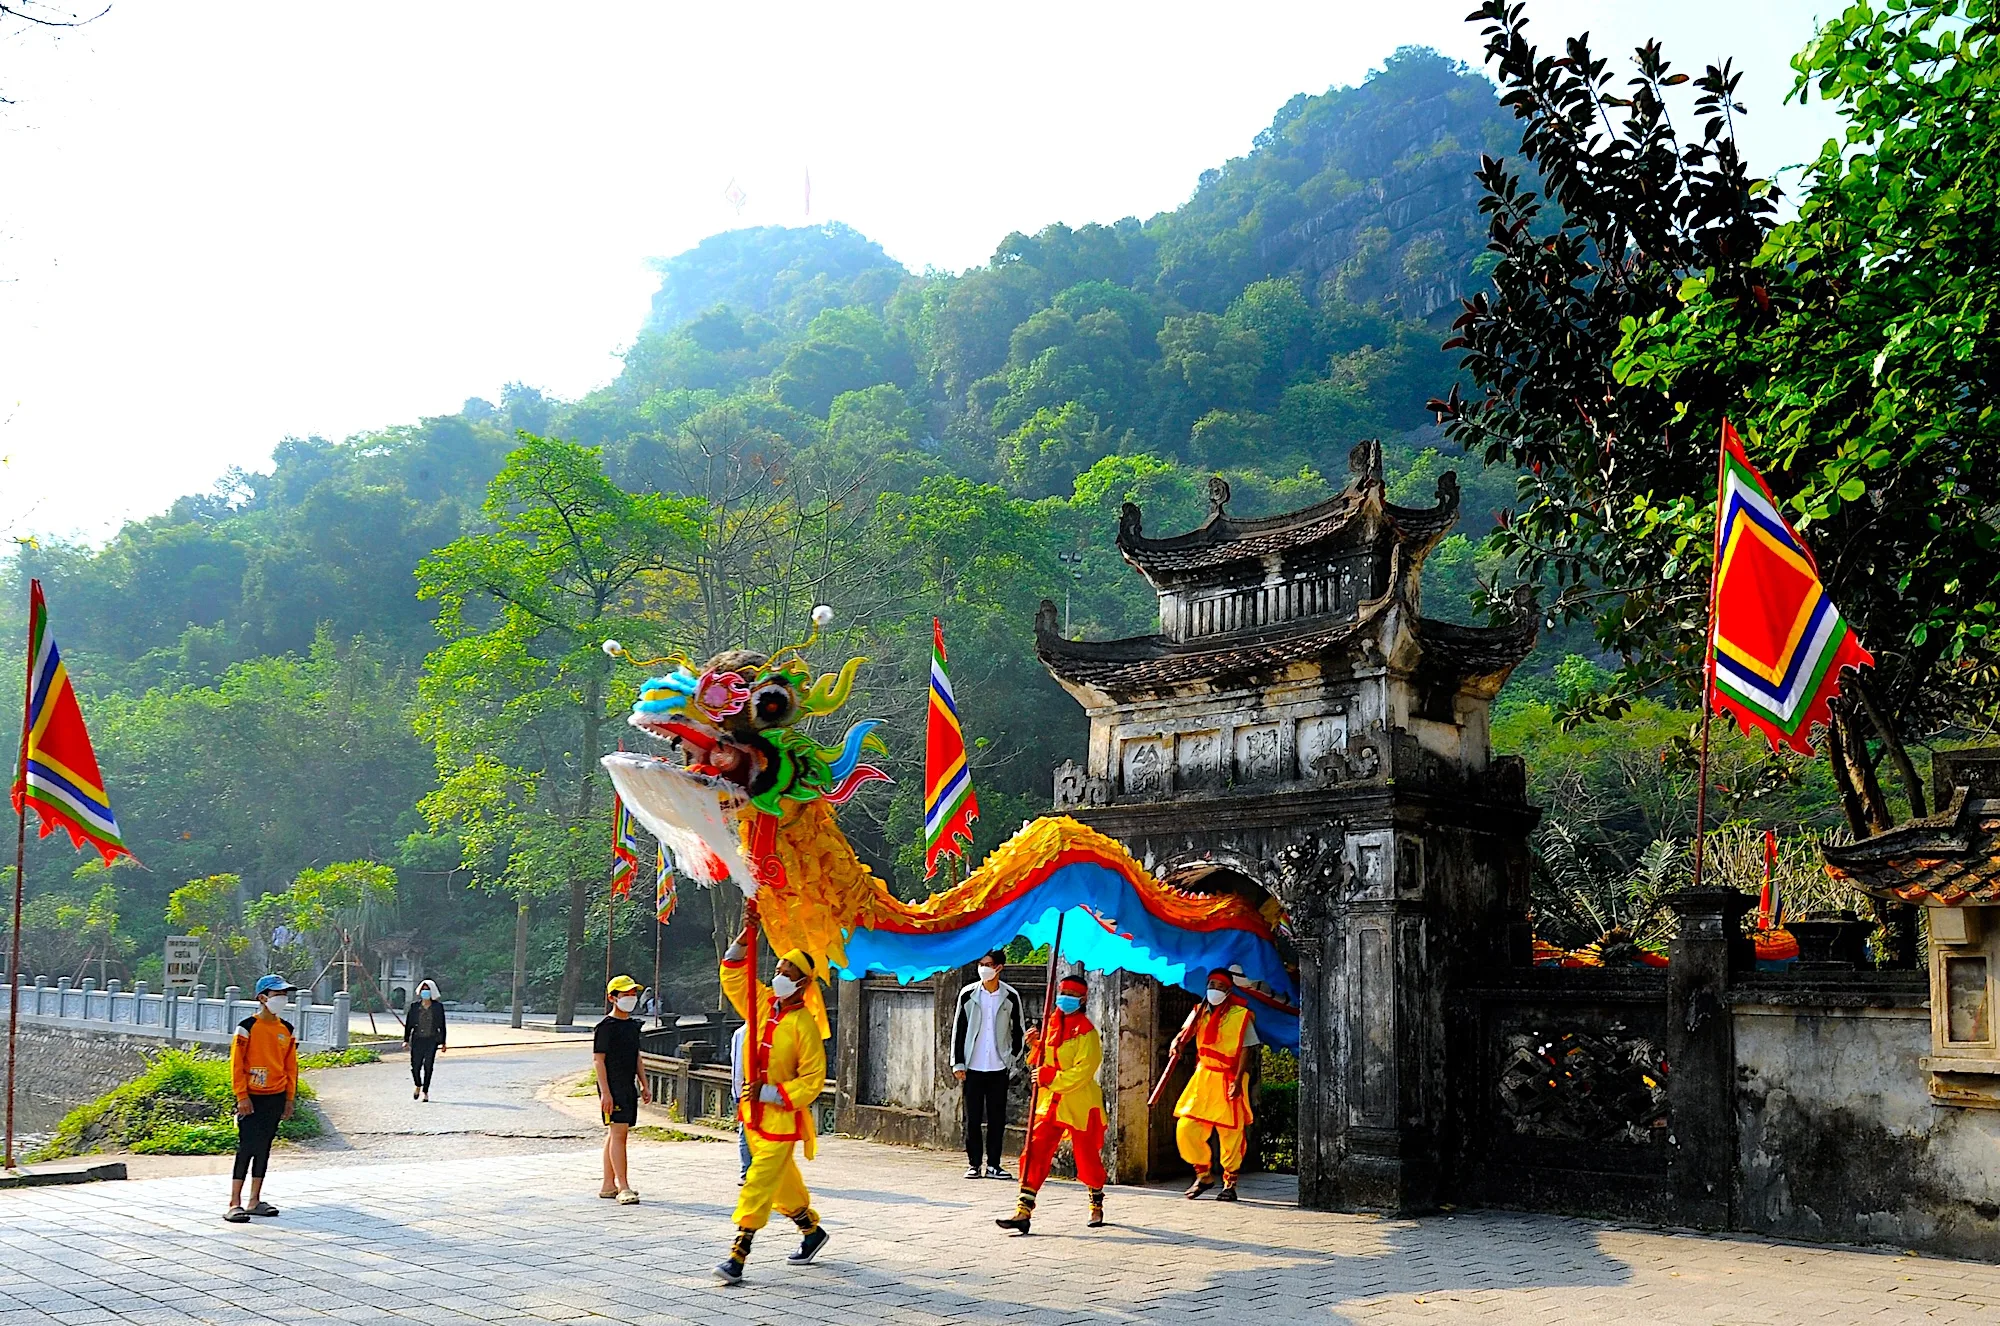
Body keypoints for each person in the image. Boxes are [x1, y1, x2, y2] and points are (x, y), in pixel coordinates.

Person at [714, 932, 830, 1285]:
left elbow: (813, 1079)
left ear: (802, 983)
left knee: (759, 1181)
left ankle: (739, 1252)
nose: (778, 976)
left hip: (781, 1121)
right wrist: (744, 939)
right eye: (778, 970)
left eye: (787, 973)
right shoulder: (763, 1004)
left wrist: (770, 1092)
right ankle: (811, 1231)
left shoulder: (804, 1025)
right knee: (782, 1185)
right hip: (753, 1117)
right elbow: (733, 976)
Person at [995, 970, 1106, 1234]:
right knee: (1035, 1150)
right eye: (1063, 993)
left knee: (1086, 1157)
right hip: (1050, 1103)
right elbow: (1039, 1062)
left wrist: (1051, 1077)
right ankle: (1023, 1210)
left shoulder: (1087, 1033)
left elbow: (1083, 1071)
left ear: (1082, 999)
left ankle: (1096, 1200)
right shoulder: (1050, 1026)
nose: (1065, 998)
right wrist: (1035, 1045)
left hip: (1080, 1103)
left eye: (1072, 994)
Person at [1174, 967, 1260, 1202]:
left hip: (1229, 1077)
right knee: (1186, 1127)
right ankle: (1203, 1175)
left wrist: (1238, 1079)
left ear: (1228, 991)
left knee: (1230, 1133)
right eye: (1212, 985)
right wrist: (1176, 1043)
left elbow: (1247, 1049)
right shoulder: (1199, 1011)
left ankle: (1230, 1183)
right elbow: (1184, 1033)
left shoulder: (1240, 1015)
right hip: (1203, 1077)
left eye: (1221, 987)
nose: (1215, 990)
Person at [225, 974, 299, 1224]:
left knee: (264, 1147)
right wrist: (241, 1096)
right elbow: (237, 1064)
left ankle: (255, 1200)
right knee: (246, 1147)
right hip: (251, 1097)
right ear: (262, 998)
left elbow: (291, 1066)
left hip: (275, 1096)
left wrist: (289, 1098)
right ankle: (234, 1202)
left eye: (284, 994)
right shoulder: (247, 1027)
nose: (282, 998)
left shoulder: (286, 1029)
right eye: (277, 994)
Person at [951, 947, 1026, 1179]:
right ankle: (974, 1164)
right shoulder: (968, 994)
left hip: (998, 1066)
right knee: (972, 1118)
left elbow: (1019, 1030)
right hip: (973, 1066)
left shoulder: (1010, 996)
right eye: (981, 964)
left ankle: (994, 1164)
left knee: (997, 1119)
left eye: (988, 965)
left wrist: (1012, 1059)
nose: (983, 969)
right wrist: (958, 1062)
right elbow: (959, 1029)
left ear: (999, 968)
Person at [594, 974, 652, 1205]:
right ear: (612, 998)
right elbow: (598, 1061)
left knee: (615, 1133)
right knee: (620, 1134)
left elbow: (636, 1056)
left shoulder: (632, 1026)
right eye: (625, 994)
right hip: (612, 1085)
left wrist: (644, 1084)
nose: (630, 997)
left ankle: (608, 1185)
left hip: (628, 1084)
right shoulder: (605, 1027)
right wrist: (605, 1093)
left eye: (633, 993)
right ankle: (623, 1186)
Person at [404, 979, 447, 1102]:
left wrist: (443, 1042)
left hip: (431, 1040)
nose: (425, 992)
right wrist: (406, 1040)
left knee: (428, 1066)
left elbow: (442, 1025)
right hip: (417, 1040)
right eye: (423, 990)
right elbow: (409, 1024)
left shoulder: (438, 1007)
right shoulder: (414, 1006)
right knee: (415, 1066)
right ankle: (418, 1084)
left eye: (427, 990)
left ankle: (425, 1091)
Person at [728, 1021, 751, 1184]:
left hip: (769, 1090)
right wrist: (738, 1095)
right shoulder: (742, 1033)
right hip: (749, 1091)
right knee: (747, 1131)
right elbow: (738, 1068)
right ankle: (747, 1171)